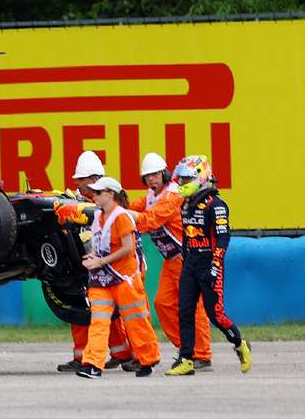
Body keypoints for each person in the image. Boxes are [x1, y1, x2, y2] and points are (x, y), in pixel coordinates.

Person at [165, 155, 252, 376]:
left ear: (200, 178)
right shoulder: (185, 205)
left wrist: (214, 266)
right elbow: (186, 237)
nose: (181, 184)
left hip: (210, 266)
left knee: (216, 316)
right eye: (181, 179)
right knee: (184, 311)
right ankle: (186, 359)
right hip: (190, 266)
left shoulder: (217, 204)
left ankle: (240, 343)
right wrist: (186, 260)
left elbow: (224, 238)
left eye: (186, 179)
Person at [126, 152, 212, 372]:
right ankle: (187, 350)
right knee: (162, 304)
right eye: (147, 177)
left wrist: (120, 215)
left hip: (187, 258)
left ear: (164, 173)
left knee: (195, 308)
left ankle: (202, 355)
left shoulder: (173, 195)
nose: (151, 180)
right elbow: (135, 206)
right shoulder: (151, 196)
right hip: (171, 260)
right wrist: (112, 207)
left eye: (155, 175)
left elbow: (149, 220)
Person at [53, 151, 132, 373]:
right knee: (80, 312)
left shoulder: (109, 202)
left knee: (115, 315)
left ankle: (123, 353)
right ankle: (83, 357)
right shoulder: (73, 199)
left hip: (108, 266)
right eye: (77, 180)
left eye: (82, 180)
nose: (78, 184)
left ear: (96, 179)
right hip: (83, 266)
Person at [76, 176, 161, 378]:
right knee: (98, 321)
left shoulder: (121, 217)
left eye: (98, 193)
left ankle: (148, 359)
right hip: (102, 280)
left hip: (124, 279)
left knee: (136, 321)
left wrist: (100, 262)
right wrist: (93, 257)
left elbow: (128, 249)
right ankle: (93, 364)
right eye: (93, 192)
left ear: (110, 194)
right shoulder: (98, 218)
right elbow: (101, 247)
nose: (94, 196)